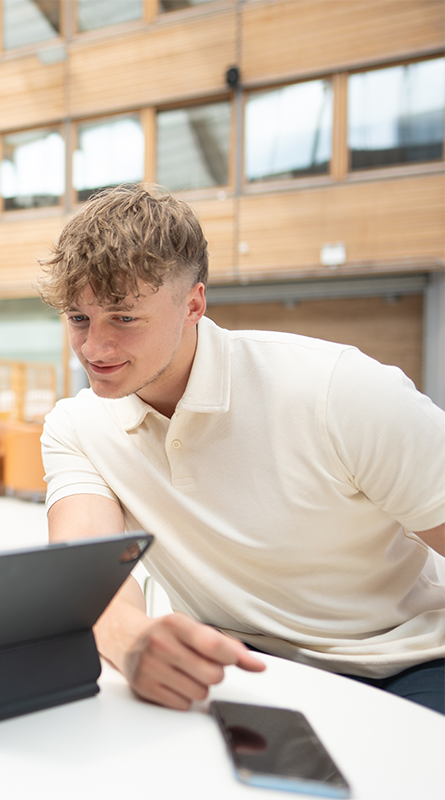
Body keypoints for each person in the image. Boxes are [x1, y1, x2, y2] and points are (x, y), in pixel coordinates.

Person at [36, 183, 445, 714]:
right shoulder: (78, 425)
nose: (93, 348)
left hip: (406, 658)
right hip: (237, 663)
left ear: (194, 305)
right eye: (78, 318)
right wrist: (130, 639)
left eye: (124, 317)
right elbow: (84, 577)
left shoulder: (337, 390)